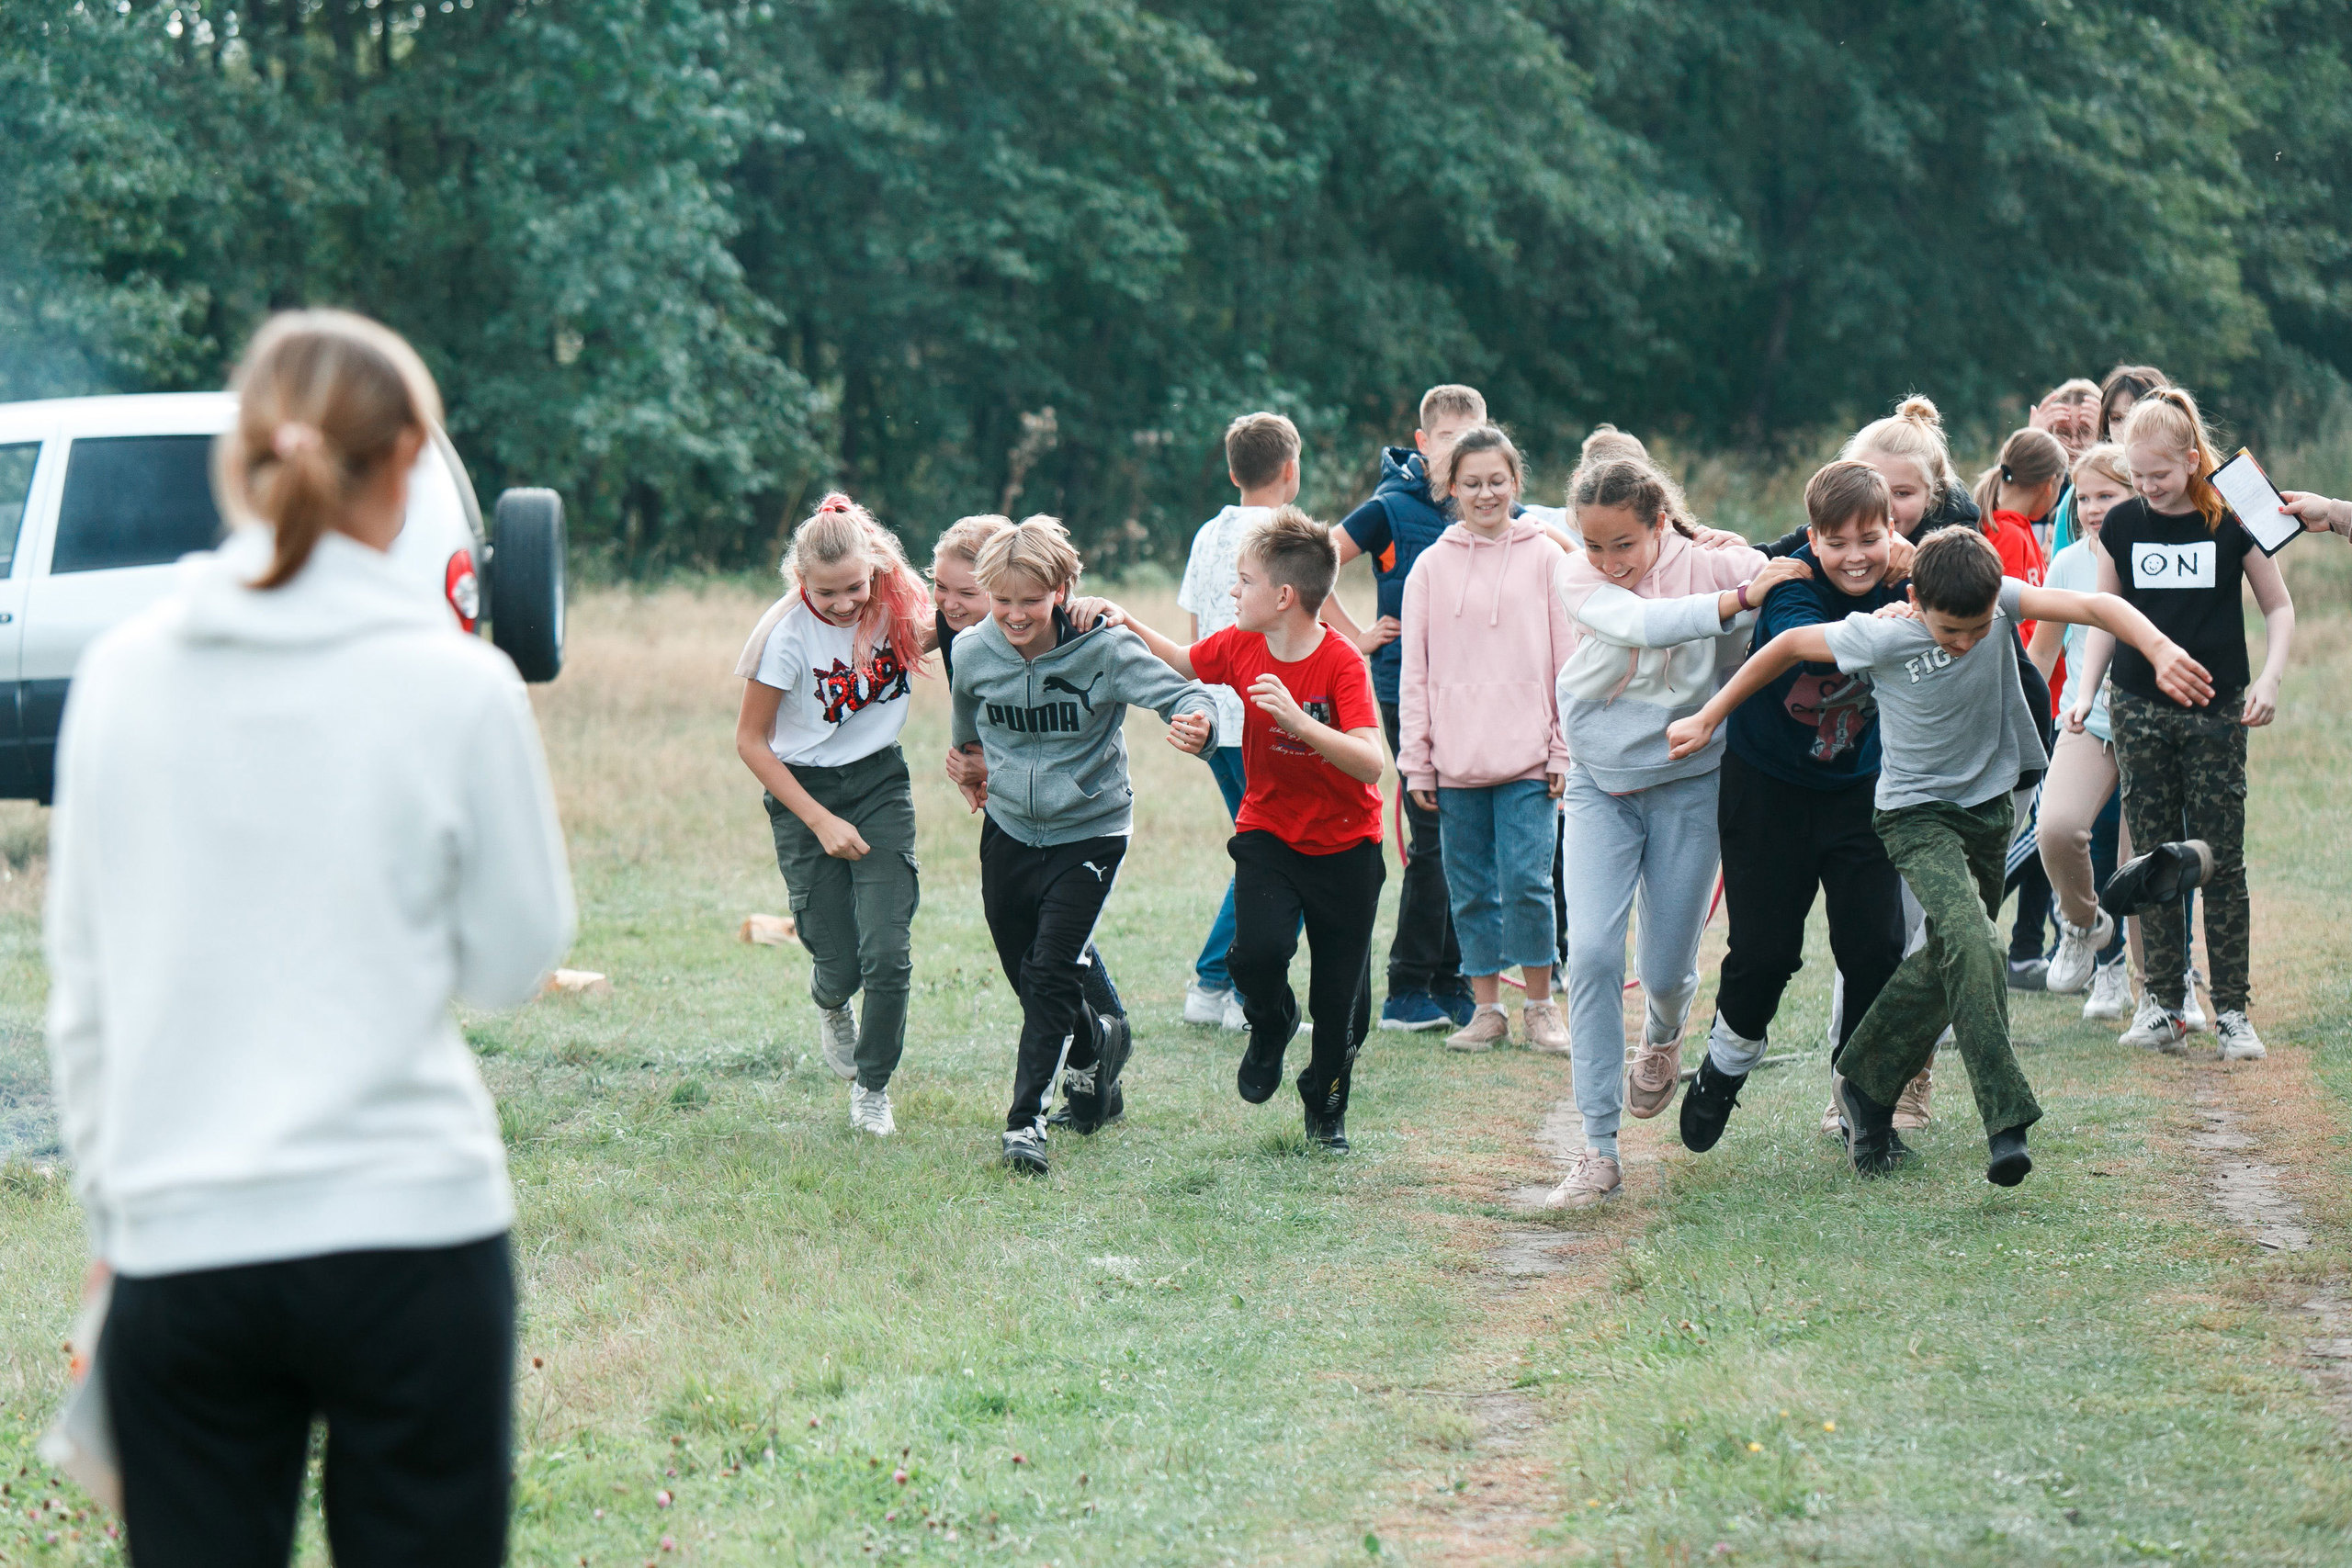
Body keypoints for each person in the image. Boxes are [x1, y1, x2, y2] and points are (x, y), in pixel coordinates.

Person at [47, 310, 575, 1563]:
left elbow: (87, 994)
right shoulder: (458, 684)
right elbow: (513, 959)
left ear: (245, 456)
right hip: (413, 1232)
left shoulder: (120, 673)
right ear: (406, 464)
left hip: (186, 1238)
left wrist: (118, 1215)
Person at [1668, 528, 2211, 1184]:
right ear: (1917, 600)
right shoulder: (1885, 634)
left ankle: (1864, 1083)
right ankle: (2005, 1121)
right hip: (1911, 816)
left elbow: (2097, 607)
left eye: (1978, 629)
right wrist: (1709, 716)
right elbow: (1784, 645)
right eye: (1951, 630)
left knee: (1951, 950)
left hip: (1985, 812)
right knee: (1976, 941)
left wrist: (2156, 645)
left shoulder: (1997, 602)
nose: (1964, 643)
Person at [1543, 457, 1804, 1207]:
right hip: (1599, 785)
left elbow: (1792, 579)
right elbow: (1640, 624)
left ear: (1660, 522)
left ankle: (1662, 1031)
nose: (1610, 563)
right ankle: (1597, 1150)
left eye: (1624, 544)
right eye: (1595, 545)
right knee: (1589, 952)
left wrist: (1750, 578)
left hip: (1691, 785)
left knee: (1664, 968)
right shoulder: (1579, 578)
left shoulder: (1721, 558)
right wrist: (1730, 600)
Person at [949, 517, 1220, 1175]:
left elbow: (1185, 691)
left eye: (1031, 601)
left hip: (1090, 829)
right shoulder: (971, 652)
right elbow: (967, 728)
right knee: (1025, 969)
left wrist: (1198, 721)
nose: (1015, 614)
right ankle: (1099, 1040)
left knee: (1049, 973)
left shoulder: (1104, 649)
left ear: (1063, 588)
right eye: (1003, 600)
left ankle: (1025, 1124)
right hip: (1009, 827)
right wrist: (968, 765)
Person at [1110, 509, 1387, 1150]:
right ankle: (1271, 1021)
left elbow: (1372, 761)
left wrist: (1299, 723)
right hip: (1270, 832)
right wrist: (1126, 622)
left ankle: (1325, 1100)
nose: (1232, 592)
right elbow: (1184, 661)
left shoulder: (1342, 663)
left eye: (1243, 581)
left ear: (1283, 596)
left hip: (1348, 846)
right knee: (1253, 955)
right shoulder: (1240, 646)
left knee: (1343, 1007)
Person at [1679, 461, 1910, 1157]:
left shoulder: (1908, 572)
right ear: (1813, 538)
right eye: (1836, 541)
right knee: (1766, 951)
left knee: (1876, 946)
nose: (1855, 556)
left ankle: (1865, 1107)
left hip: (1858, 787)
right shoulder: (1794, 582)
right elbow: (1796, 644)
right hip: (1768, 785)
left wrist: (1919, 575)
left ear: (1890, 531)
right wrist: (1893, 615)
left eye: (1870, 538)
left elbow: (1971, 581)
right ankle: (1725, 1064)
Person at [2066, 387, 2296, 1061]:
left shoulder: (2229, 520)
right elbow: (2103, 613)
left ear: (2193, 460)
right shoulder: (2125, 525)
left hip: (2218, 712)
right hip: (2138, 710)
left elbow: (2278, 607)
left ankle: (2232, 1011)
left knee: (2221, 859)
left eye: (2160, 476)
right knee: (2154, 859)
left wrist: (2270, 679)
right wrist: (2086, 693)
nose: (2147, 489)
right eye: (2136, 478)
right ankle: (2163, 1003)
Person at [733, 493, 931, 1137]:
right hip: (803, 792)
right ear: (801, 582)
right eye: (827, 593)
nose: (845, 603)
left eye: (854, 587)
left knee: (888, 953)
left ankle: (872, 1087)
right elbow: (751, 742)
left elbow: (970, 619)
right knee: (841, 964)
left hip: (879, 783)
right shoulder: (784, 636)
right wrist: (819, 819)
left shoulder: (898, 604)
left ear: (873, 568)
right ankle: (830, 1000)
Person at [929, 515, 1130, 1129]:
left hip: (1075, 811)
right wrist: (970, 759)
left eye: (967, 593)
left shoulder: (1033, 612)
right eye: (940, 589)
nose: (953, 604)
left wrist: (1108, 611)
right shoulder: (961, 633)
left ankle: (1095, 1053)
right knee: (1035, 951)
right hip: (1015, 807)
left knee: (1056, 955)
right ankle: (1100, 1053)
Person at [1396, 425, 1575, 1059]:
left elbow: (1567, 662)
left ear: (1515, 483)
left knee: (1528, 881)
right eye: (1471, 483)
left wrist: (1562, 748)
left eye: (1497, 480)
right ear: (1451, 489)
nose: (1485, 493)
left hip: (1530, 758)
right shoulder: (1430, 569)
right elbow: (1414, 671)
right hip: (1454, 760)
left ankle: (1539, 1007)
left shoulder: (1548, 558)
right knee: (1469, 887)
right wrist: (1417, 760)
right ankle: (1486, 1010)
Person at [1326, 383, 1487, 1032]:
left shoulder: (1488, 502)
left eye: (1473, 436)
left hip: (1478, 688)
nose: (1462, 451)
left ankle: (1453, 981)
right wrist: (1357, 636)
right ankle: (1406, 987)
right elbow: (1313, 560)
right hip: (1408, 688)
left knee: (1469, 833)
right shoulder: (1389, 508)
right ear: (1423, 443)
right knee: (1434, 833)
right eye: (1449, 438)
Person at [1177, 412, 1304, 1032]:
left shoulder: (1208, 533)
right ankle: (1230, 988)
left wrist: (1197, 703)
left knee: (1262, 851)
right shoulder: (1290, 533)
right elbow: (1314, 621)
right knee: (1283, 854)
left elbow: (1196, 633)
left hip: (1214, 716)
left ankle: (1215, 984)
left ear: (1232, 471)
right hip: (1263, 713)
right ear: (1291, 470)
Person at [2028, 444, 2138, 1016]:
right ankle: (2080, 924)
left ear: (2138, 492)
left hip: (2150, 726)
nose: (2093, 508)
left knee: (2137, 864)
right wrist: (2016, 718)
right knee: (2058, 829)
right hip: (2083, 721)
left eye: (2108, 495)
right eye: (2086, 497)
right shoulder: (2068, 562)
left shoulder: (2154, 555)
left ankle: (2152, 989)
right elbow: (2043, 651)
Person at [1969, 428, 2063, 990]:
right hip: (2017, 707)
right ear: (2050, 486)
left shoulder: (2019, 530)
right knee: (2031, 828)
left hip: (2033, 701)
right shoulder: (2004, 537)